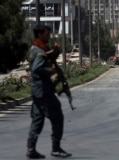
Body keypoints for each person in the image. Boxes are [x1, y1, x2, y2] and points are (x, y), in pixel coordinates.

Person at [26, 25, 72, 159]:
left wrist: (55, 52)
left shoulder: (36, 49)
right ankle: (56, 148)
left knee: (37, 120)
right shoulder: (39, 51)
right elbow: (36, 69)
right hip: (44, 91)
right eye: (47, 34)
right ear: (40, 34)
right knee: (57, 116)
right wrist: (50, 71)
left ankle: (31, 149)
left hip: (37, 91)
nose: (49, 36)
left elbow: (46, 58)